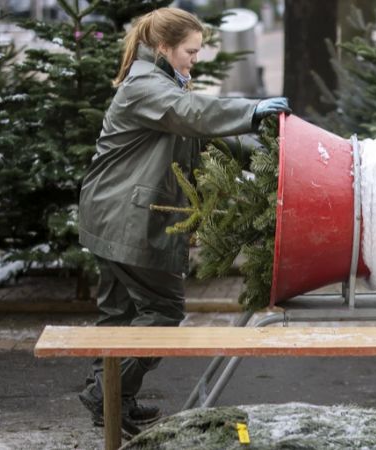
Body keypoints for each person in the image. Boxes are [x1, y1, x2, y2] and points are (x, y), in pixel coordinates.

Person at [76, 7, 290, 437]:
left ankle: (115, 401)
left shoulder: (164, 82)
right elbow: (191, 114)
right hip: (125, 217)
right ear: (163, 47)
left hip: (112, 212)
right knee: (163, 311)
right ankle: (106, 393)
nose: (195, 59)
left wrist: (273, 157)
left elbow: (205, 138)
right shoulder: (146, 86)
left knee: (119, 317)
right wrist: (252, 110)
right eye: (190, 51)